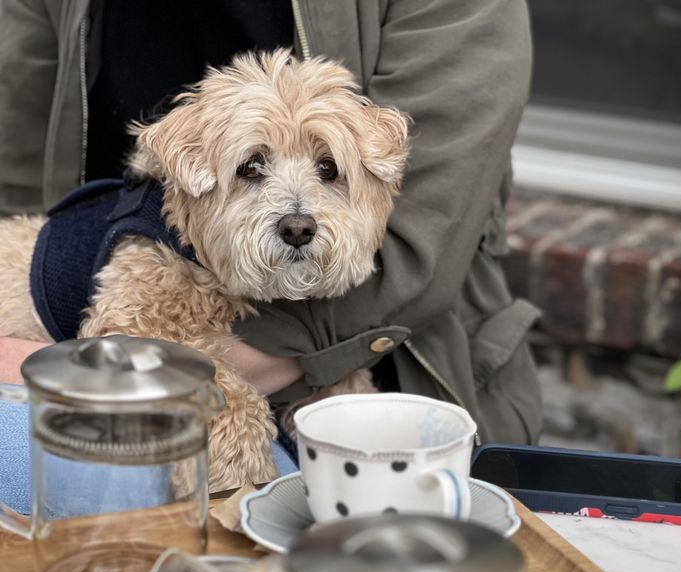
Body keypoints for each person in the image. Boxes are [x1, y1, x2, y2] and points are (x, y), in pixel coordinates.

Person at [0, 0, 543, 454]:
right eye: (253, 167)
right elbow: (17, 160)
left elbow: (425, 234)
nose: (297, 218)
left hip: (380, 355)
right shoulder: (154, 251)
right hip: (77, 336)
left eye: (327, 169)